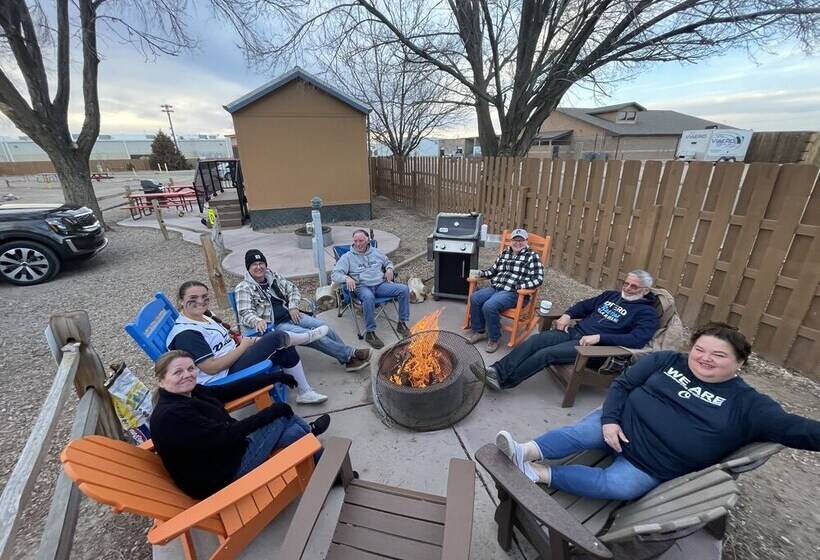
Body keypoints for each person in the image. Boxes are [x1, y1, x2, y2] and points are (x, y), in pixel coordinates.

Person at [493, 322, 820, 501]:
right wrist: (610, 421)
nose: (704, 358)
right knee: (579, 433)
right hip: (620, 425)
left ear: (740, 362)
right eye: (699, 349)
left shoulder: (748, 404)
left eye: (718, 355)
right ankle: (524, 451)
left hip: (652, 463)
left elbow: (799, 429)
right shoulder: (668, 361)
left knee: (617, 486)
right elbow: (622, 385)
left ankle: (540, 474)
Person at [149, 350, 331, 498]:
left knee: (293, 432)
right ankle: (325, 463)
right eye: (178, 372)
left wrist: (274, 377)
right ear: (161, 380)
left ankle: (316, 451)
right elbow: (225, 435)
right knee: (281, 415)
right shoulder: (173, 415)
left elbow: (228, 391)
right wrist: (272, 412)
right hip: (220, 476)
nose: (187, 375)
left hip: (226, 454)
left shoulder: (190, 392)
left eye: (190, 369)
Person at [471, 269, 658, 390]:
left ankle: (503, 382)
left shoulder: (647, 313)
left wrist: (600, 338)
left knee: (547, 353)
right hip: (574, 333)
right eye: (626, 283)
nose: (628, 288)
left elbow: (637, 340)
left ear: (646, 291)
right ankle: (495, 370)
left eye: (634, 286)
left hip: (593, 349)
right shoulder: (611, 296)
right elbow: (584, 306)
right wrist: (567, 315)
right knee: (536, 341)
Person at [167, 280, 329, 404]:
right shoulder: (187, 334)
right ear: (181, 301)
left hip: (231, 362)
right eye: (193, 298)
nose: (200, 301)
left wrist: (243, 342)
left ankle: (305, 392)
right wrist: (244, 346)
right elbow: (211, 368)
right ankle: (307, 337)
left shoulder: (201, 317)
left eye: (204, 297)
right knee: (276, 338)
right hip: (220, 381)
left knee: (282, 345)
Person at [235, 249, 371, 372]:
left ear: (265, 264)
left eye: (261, 263)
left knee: (324, 326)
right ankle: (350, 355)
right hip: (275, 326)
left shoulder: (273, 277)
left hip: (291, 315)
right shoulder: (244, 288)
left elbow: (293, 290)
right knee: (313, 336)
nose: (259, 267)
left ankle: (348, 358)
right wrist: (258, 321)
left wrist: (293, 306)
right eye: (254, 264)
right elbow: (245, 312)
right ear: (248, 268)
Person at [466, 228, 544, 353]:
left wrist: (521, 285)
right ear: (511, 241)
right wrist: (481, 273)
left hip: (514, 293)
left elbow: (538, 279)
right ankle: (480, 331)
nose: (517, 243)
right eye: (515, 240)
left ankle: (494, 338)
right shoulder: (504, 253)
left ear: (526, 241)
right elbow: (493, 271)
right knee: (475, 297)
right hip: (496, 288)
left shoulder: (532, 256)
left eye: (521, 240)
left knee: (489, 306)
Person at [331, 229, 411, 349]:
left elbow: (388, 262)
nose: (358, 244)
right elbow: (335, 274)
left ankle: (402, 323)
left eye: (361, 240)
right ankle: (370, 332)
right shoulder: (347, 257)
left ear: (368, 240)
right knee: (368, 297)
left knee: (404, 289)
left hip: (380, 285)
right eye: (355, 241)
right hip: (361, 287)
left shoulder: (376, 252)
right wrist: (346, 278)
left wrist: (389, 269)